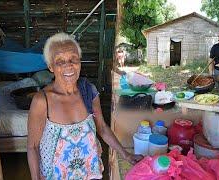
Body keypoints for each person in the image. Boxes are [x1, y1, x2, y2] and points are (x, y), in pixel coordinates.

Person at [27, 33, 143, 179]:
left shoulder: (88, 91)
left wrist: (126, 154)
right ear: (51, 67)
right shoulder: (42, 100)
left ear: (80, 61)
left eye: (73, 59)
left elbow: (101, 128)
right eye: (60, 61)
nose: (68, 65)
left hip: (89, 172)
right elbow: (32, 146)